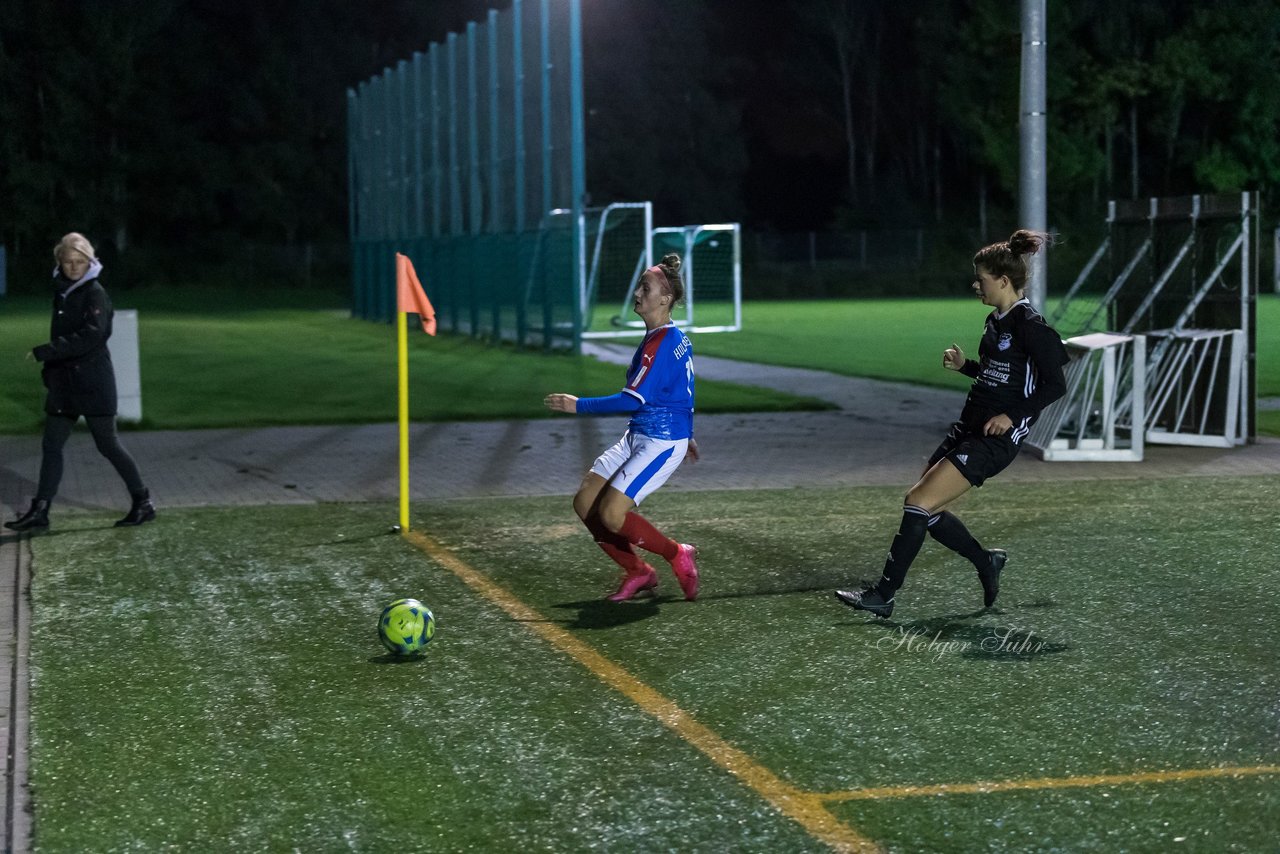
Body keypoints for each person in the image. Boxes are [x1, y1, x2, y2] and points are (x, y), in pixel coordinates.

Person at [835, 230, 1068, 617]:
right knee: (928, 508)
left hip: (995, 440)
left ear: (1004, 281)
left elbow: (1055, 385)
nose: (976, 284)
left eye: (982, 279)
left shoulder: (1031, 325)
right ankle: (985, 562)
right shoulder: (994, 321)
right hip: (968, 428)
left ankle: (884, 595)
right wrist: (966, 367)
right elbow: (998, 374)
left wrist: (1012, 416)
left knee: (917, 503)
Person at [544, 253, 700, 602]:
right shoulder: (668, 338)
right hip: (643, 434)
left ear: (666, 298)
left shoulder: (661, 344)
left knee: (613, 513)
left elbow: (633, 400)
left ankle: (677, 553)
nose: (638, 292)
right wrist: (688, 431)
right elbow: (682, 387)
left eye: (646, 287)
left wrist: (577, 405)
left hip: (660, 441)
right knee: (586, 502)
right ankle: (638, 572)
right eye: (639, 286)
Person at [5, 233, 156, 532]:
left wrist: (46, 352)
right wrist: (51, 370)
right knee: (51, 445)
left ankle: (143, 502)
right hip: (65, 383)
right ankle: (41, 511)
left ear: (90, 262)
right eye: (68, 262)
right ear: (59, 263)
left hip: (93, 382)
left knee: (108, 444)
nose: (74, 267)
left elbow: (92, 335)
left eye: (80, 262)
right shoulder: (63, 292)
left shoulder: (94, 293)